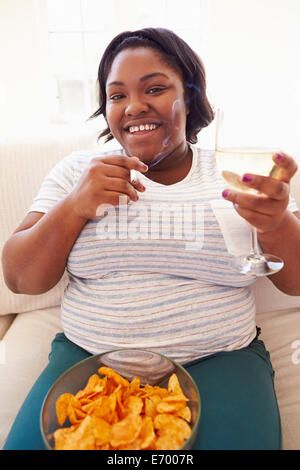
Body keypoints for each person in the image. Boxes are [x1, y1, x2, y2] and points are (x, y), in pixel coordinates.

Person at [2, 27, 300, 451]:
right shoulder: (77, 172)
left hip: (220, 361)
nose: (133, 106)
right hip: (91, 361)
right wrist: (73, 207)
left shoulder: (235, 174)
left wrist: (276, 223)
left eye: (155, 88)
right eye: (117, 95)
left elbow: (297, 281)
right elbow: (20, 278)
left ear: (191, 98)